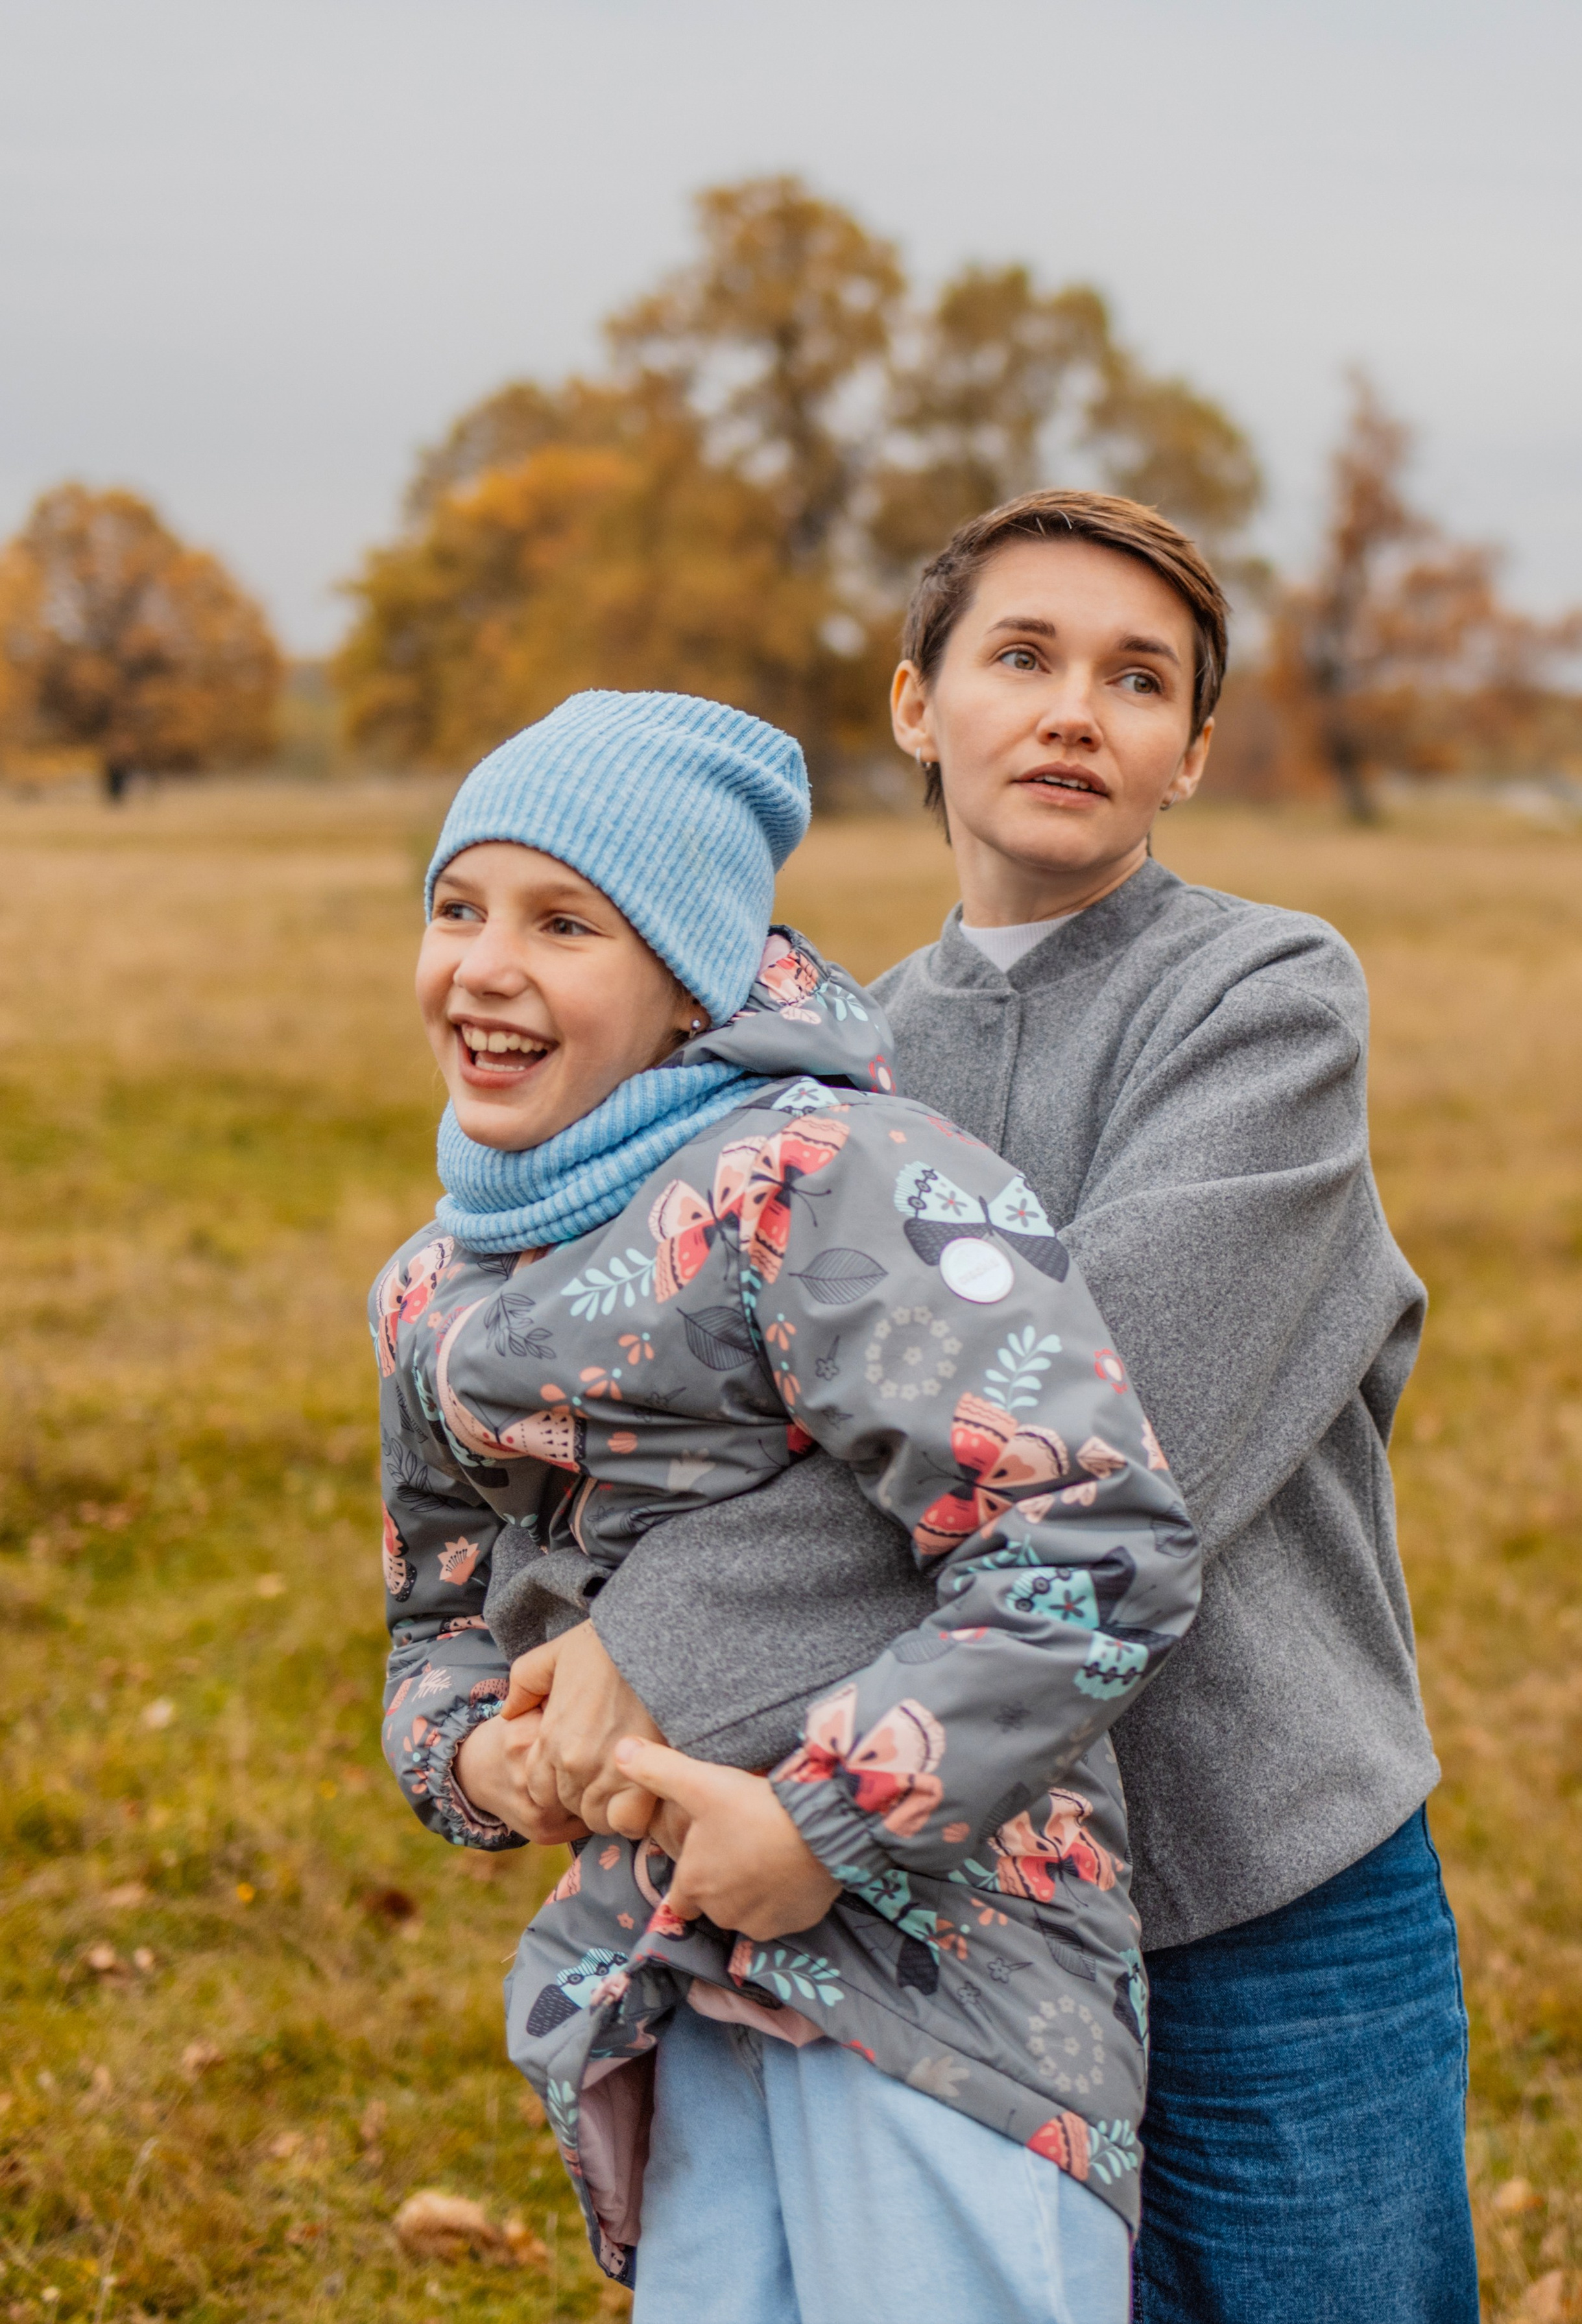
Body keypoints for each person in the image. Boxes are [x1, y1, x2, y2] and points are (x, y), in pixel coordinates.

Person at [526, 495, 1481, 2322]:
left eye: (1139, 681)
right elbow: (727, 1428)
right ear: (915, 705)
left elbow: (1111, 1427)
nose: (1074, 712)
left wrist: (673, 1633)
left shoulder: (1267, 1004)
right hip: (953, 1892)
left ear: (1189, 751)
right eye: (1022, 658)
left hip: (1264, 1888)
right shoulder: (830, 1073)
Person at [374, 687, 1202, 2321]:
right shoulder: (433, 1287)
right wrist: (484, 1756)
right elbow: (437, 1610)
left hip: (945, 1969)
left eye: (563, 923)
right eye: (456, 906)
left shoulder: (830, 1177)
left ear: (685, 979)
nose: (482, 963)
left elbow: (1093, 1538)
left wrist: (819, 1821)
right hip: (667, 1955)